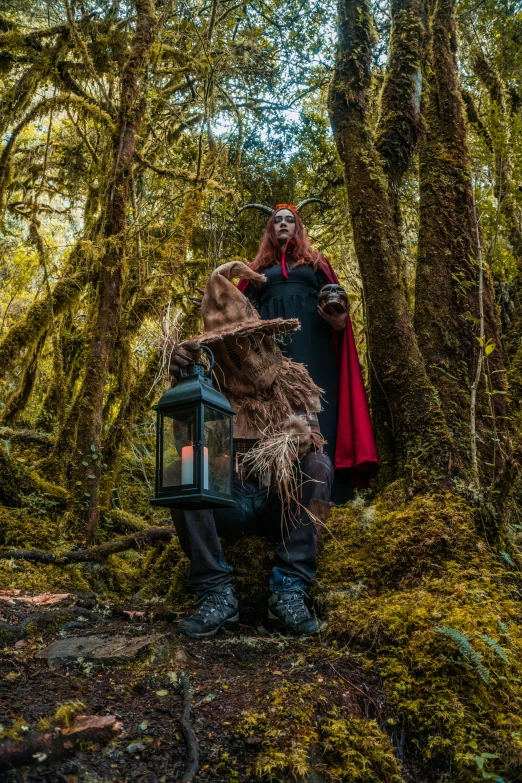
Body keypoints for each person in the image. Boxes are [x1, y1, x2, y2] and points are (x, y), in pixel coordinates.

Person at [169, 261, 334, 639]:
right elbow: (181, 436)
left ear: (266, 337)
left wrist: (290, 442)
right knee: (182, 470)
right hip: (226, 501)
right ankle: (215, 591)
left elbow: (314, 441)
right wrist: (180, 376)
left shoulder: (293, 379)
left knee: (320, 464)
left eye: (252, 340)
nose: (244, 354)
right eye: (231, 345)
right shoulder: (205, 382)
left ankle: (290, 586)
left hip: (278, 502)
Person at [237, 200, 379, 501]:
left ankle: (327, 490)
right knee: (277, 406)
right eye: (278, 221)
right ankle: (274, 492)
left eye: (289, 220)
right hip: (274, 348)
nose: (283, 224)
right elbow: (237, 306)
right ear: (270, 229)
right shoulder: (257, 269)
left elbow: (336, 300)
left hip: (315, 341)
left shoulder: (315, 262)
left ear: (298, 227)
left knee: (320, 403)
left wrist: (340, 321)